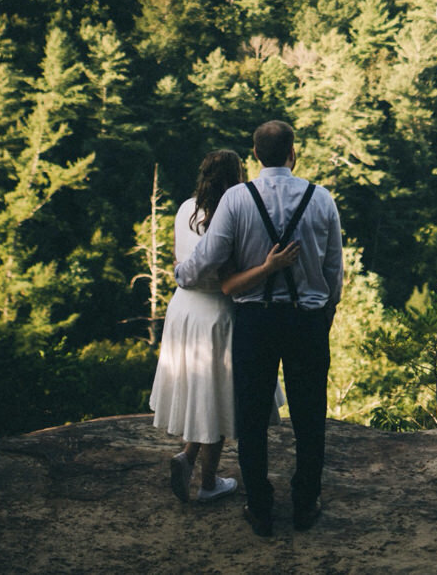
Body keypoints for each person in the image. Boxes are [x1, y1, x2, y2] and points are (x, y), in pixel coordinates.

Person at [176, 120, 345, 537]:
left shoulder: (236, 199)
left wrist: (182, 274)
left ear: (255, 155)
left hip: (254, 321)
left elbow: (209, 255)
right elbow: (334, 271)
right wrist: (324, 314)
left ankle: (260, 506)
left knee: (251, 418)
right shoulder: (321, 198)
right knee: (310, 417)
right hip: (306, 321)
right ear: (293, 152)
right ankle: (305, 503)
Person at [148, 149, 299, 504]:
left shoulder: (186, 208)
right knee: (215, 400)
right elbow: (233, 279)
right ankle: (209, 481)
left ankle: (187, 456)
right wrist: (269, 267)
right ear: (237, 177)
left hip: (183, 309)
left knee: (202, 395)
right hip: (217, 314)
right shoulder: (234, 214)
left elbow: (178, 260)